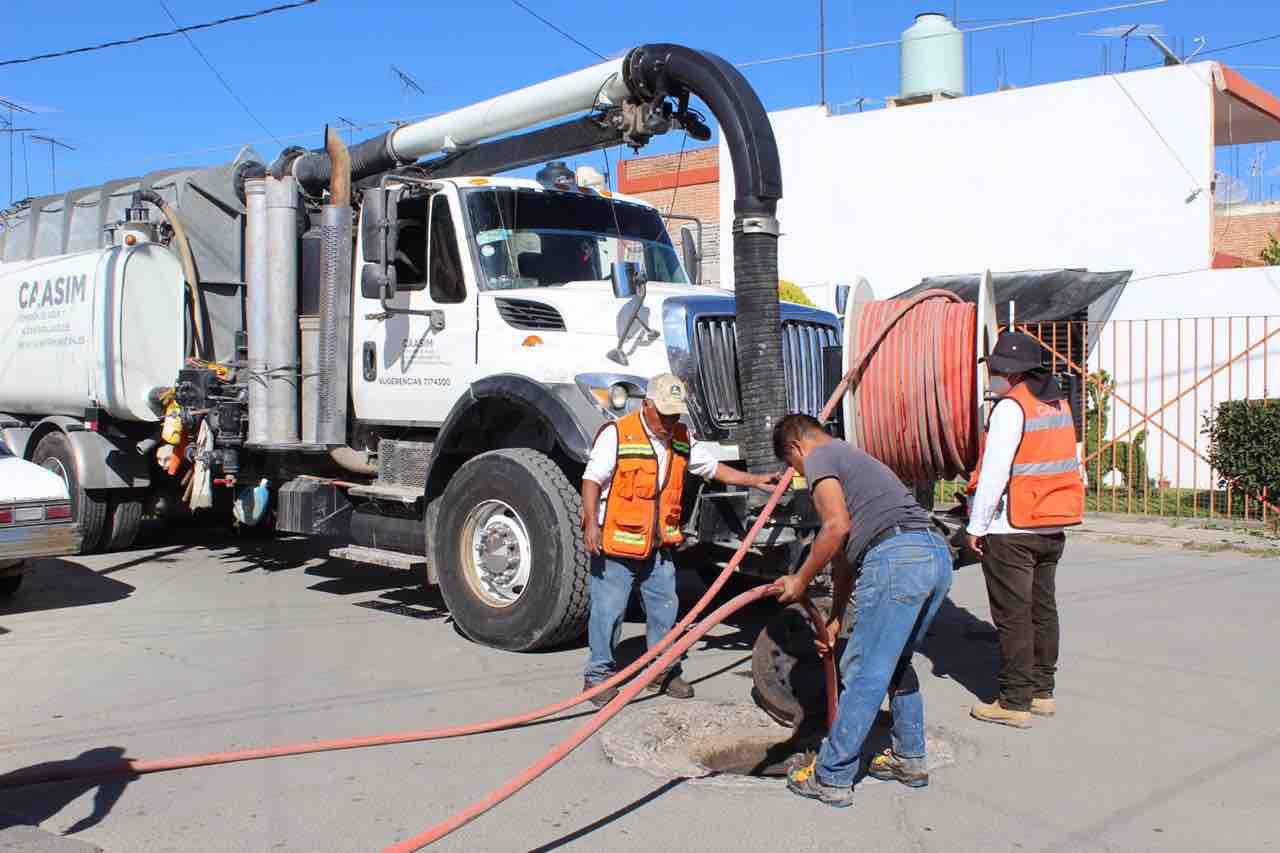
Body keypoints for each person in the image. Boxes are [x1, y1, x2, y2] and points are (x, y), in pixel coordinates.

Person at [772, 414, 953, 808]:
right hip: (934, 555)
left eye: (793, 468)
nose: (800, 475)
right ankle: (909, 758)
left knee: (863, 669)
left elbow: (835, 527)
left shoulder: (820, 457)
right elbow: (843, 560)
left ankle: (832, 776)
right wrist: (836, 617)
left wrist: (800, 580)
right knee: (896, 662)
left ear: (795, 448)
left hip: (898, 558)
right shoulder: (854, 459)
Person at [581, 373, 778, 706]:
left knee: (665, 609)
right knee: (608, 611)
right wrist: (590, 525)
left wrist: (755, 479)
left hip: (658, 546)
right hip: (616, 544)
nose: (670, 421)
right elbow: (591, 479)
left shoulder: (682, 438)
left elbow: (713, 469)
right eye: (664, 414)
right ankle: (597, 677)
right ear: (647, 405)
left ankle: (663, 670)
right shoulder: (618, 434)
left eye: (675, 414)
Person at [965, 331, 1085, 729]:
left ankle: (1014, 701)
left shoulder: (1011, 408)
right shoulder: (1056, 405)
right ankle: (1041, 692)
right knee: (1042, 608)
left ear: (1008, 371)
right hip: (1052, 521)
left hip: (1012, 525)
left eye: (996, 368)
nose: (992, 374)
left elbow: (995, 472)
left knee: (1013, 615)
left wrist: (975, 526)